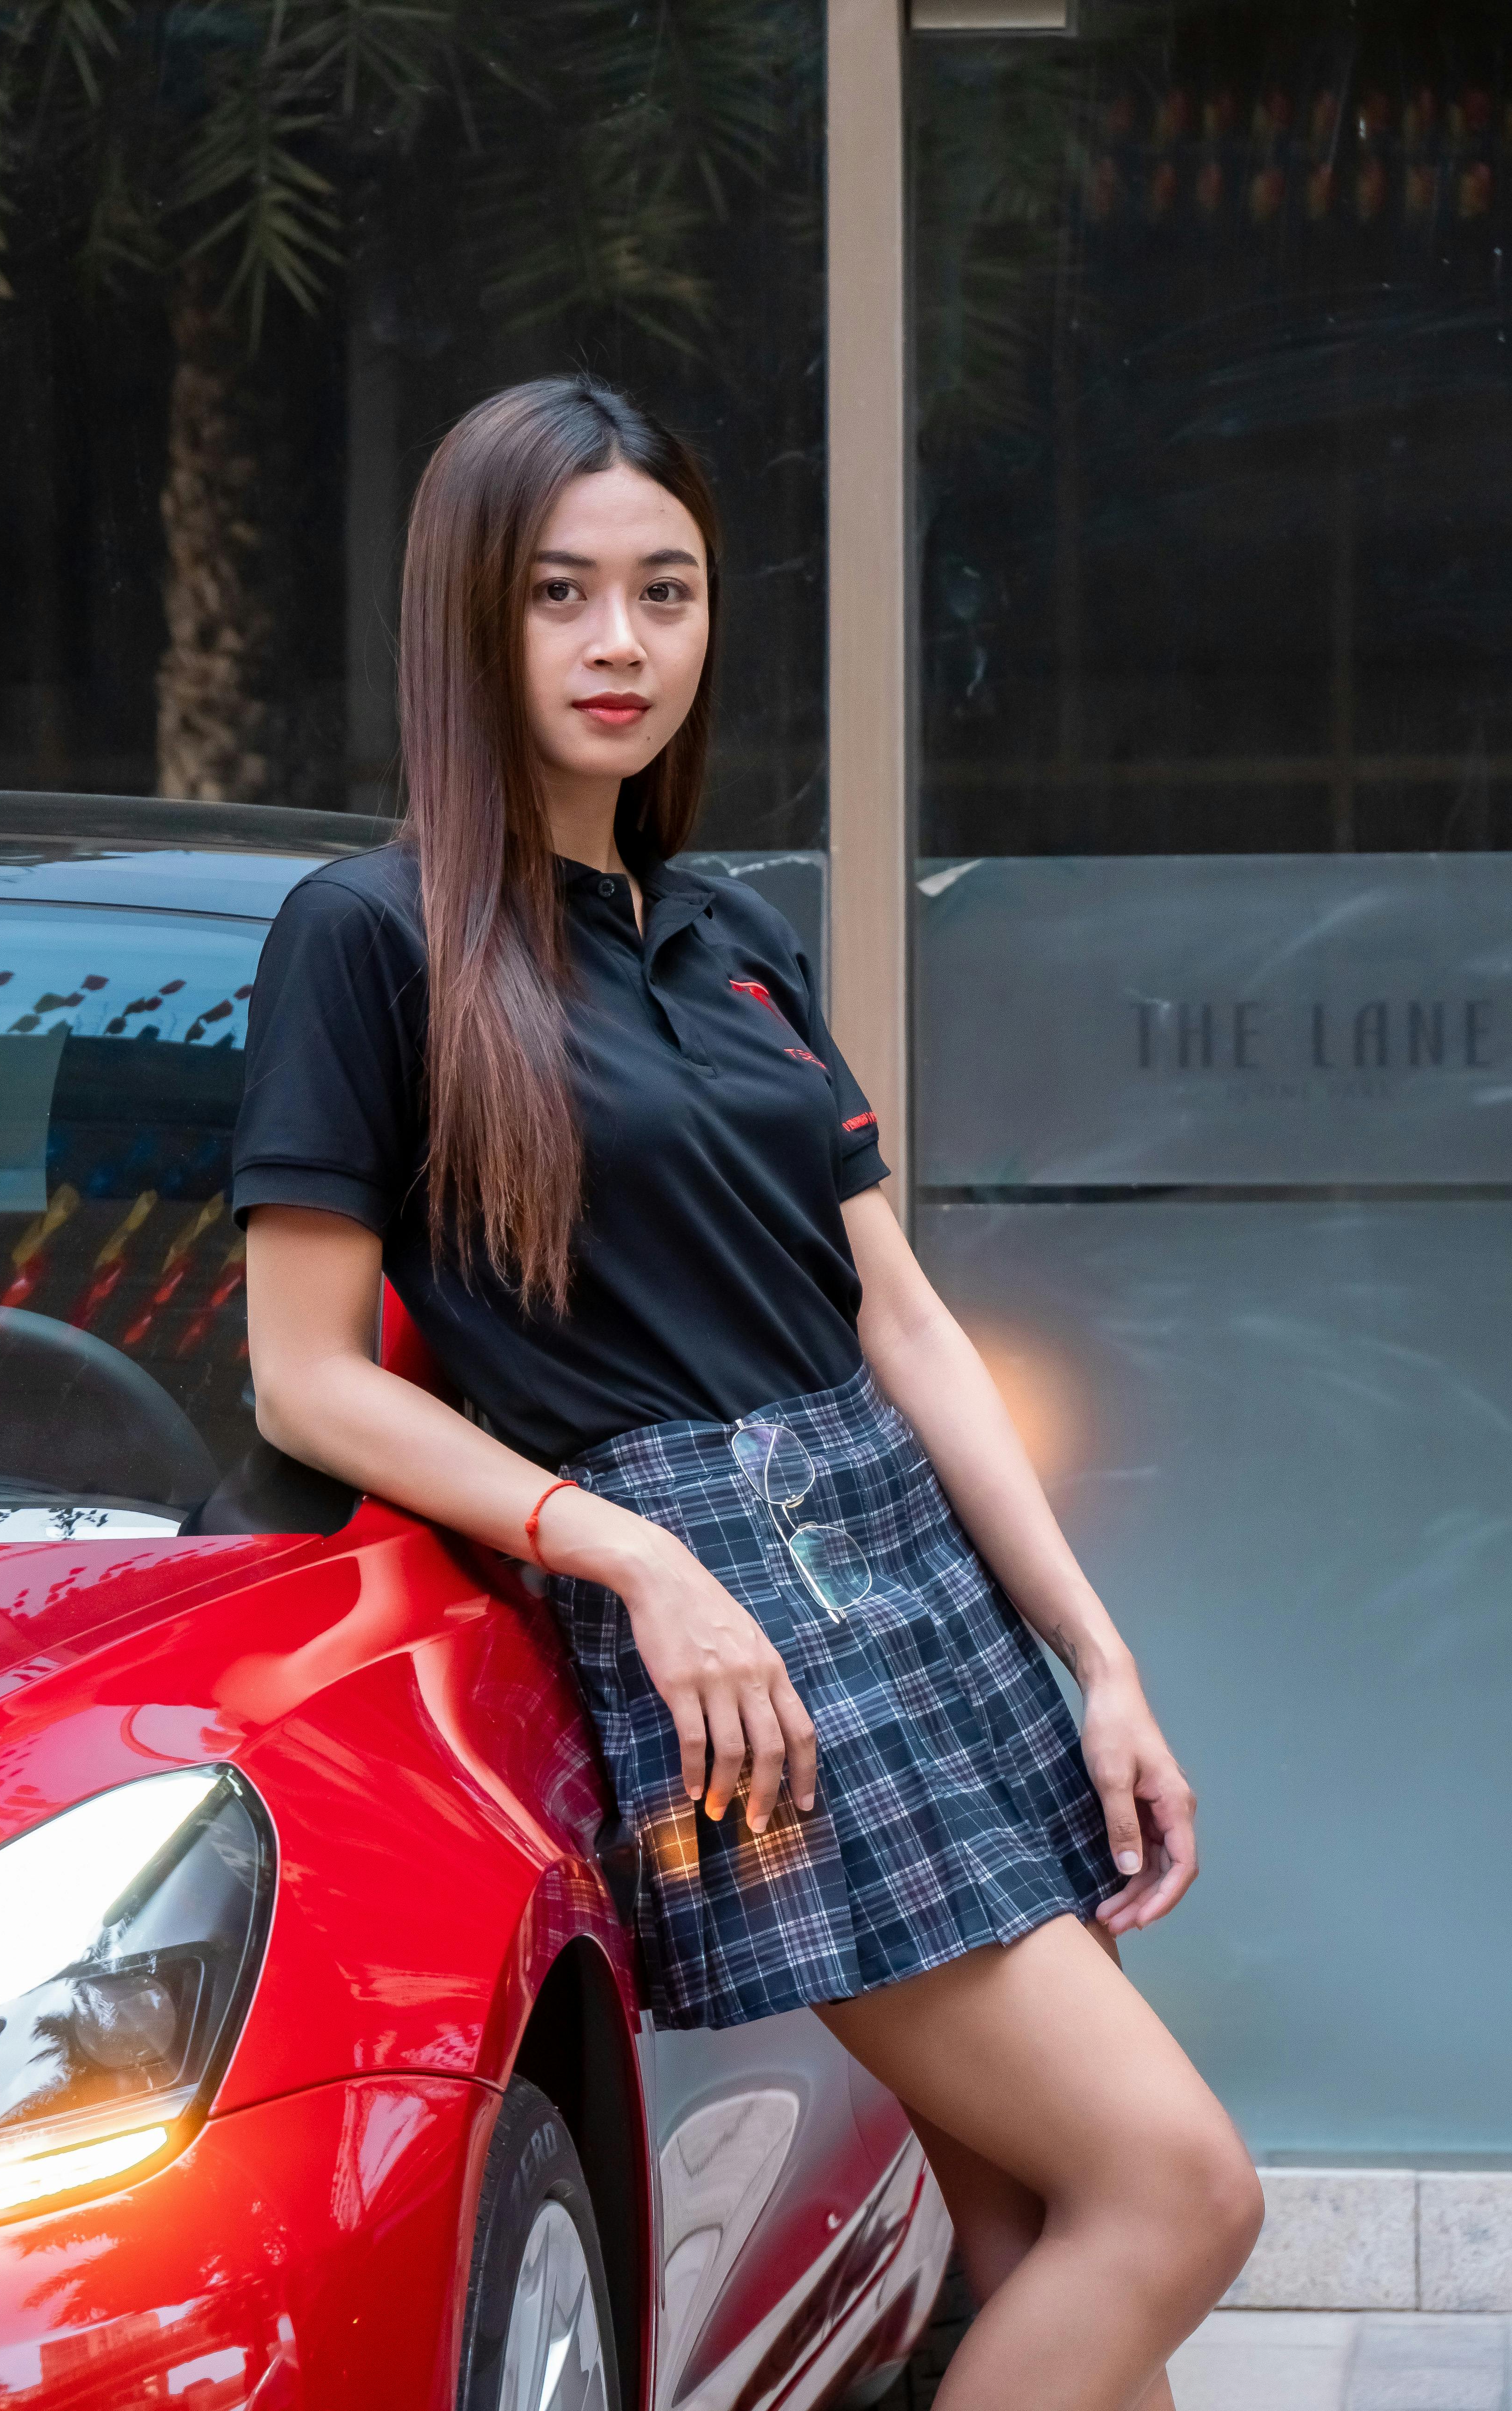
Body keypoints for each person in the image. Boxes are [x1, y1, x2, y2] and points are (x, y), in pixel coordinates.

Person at [233, 374, 1261, 2409]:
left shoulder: (732, 930)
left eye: (667, 591)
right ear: (469, 618)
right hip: (730, 1636)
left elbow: (900, 1323)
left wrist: (1100, 1655)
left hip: (918, 1592)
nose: (623, 644)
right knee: (1180, 2195)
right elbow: (301, 1376)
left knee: (1045, 2235)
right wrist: (626, 1558)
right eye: (562, 596)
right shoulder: (370, 942)